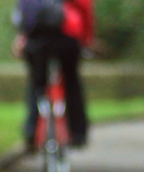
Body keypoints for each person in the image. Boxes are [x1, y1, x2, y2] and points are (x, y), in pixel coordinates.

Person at [13, 0, 94, 151]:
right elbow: (84, 7)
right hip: (68, 34)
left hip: (37, 37)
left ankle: (31, 131)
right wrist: (87, 40)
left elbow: (23, 8)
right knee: (71, 81)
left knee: (37, 84)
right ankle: (78, 132)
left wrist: (21, 36)